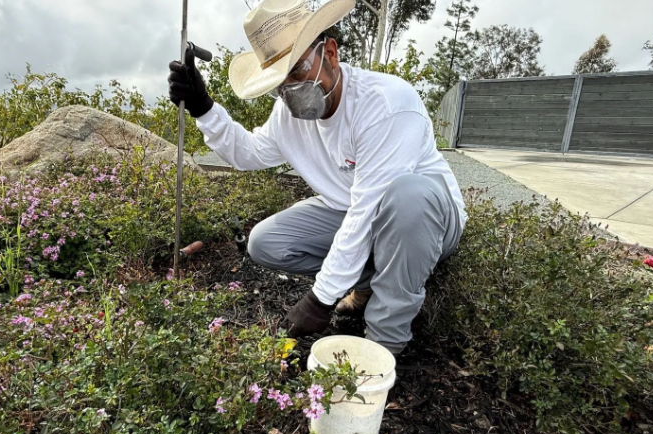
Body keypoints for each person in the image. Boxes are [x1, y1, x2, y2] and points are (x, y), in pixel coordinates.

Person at [168, 0, 466, 354]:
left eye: (297, 71)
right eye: (280, 83)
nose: (291, 92)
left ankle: (383, 344)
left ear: (330, 52)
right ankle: (371, 280)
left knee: (407, 196)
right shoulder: (287, 116)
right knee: (265, 241)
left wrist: (319, 300)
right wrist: (204, 108)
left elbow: (369, 209)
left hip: (424, 221)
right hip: (354, 210)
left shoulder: (386, 104)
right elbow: (248, 154)